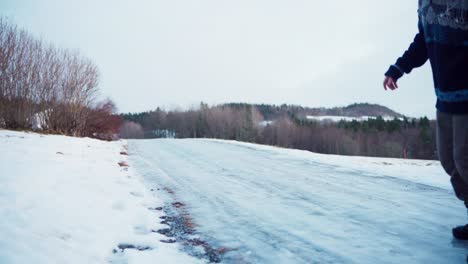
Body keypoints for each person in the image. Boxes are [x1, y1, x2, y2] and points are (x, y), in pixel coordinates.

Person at [383, 0, 468, 239]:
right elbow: (423, 41)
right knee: (449, 160)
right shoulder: (424, 3)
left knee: (464, 160)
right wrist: (398, 68)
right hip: (445, 98)